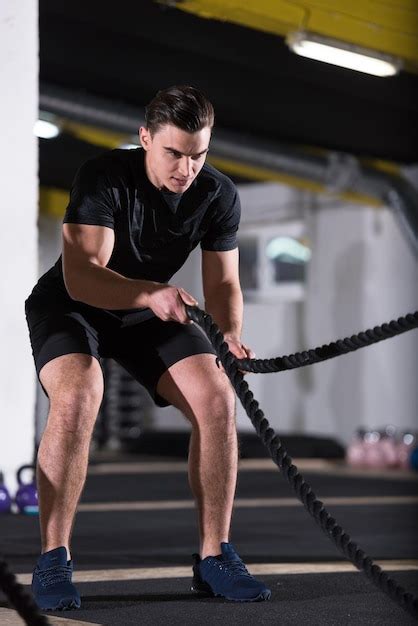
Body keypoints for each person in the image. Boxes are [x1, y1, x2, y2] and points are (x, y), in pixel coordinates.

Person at [25, 85, 271, 610]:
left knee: (216, 396)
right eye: (174, 153)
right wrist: (147, 293)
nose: (187, 168)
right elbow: (83, 277)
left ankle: (214, 557)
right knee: (79, 392)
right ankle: (52, 559)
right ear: (145, 139)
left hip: (147, 308)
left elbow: (224, 283)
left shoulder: (219, 195)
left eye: (198, 154)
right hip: (73, 303)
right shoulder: (103, 176)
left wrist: (227, 335)